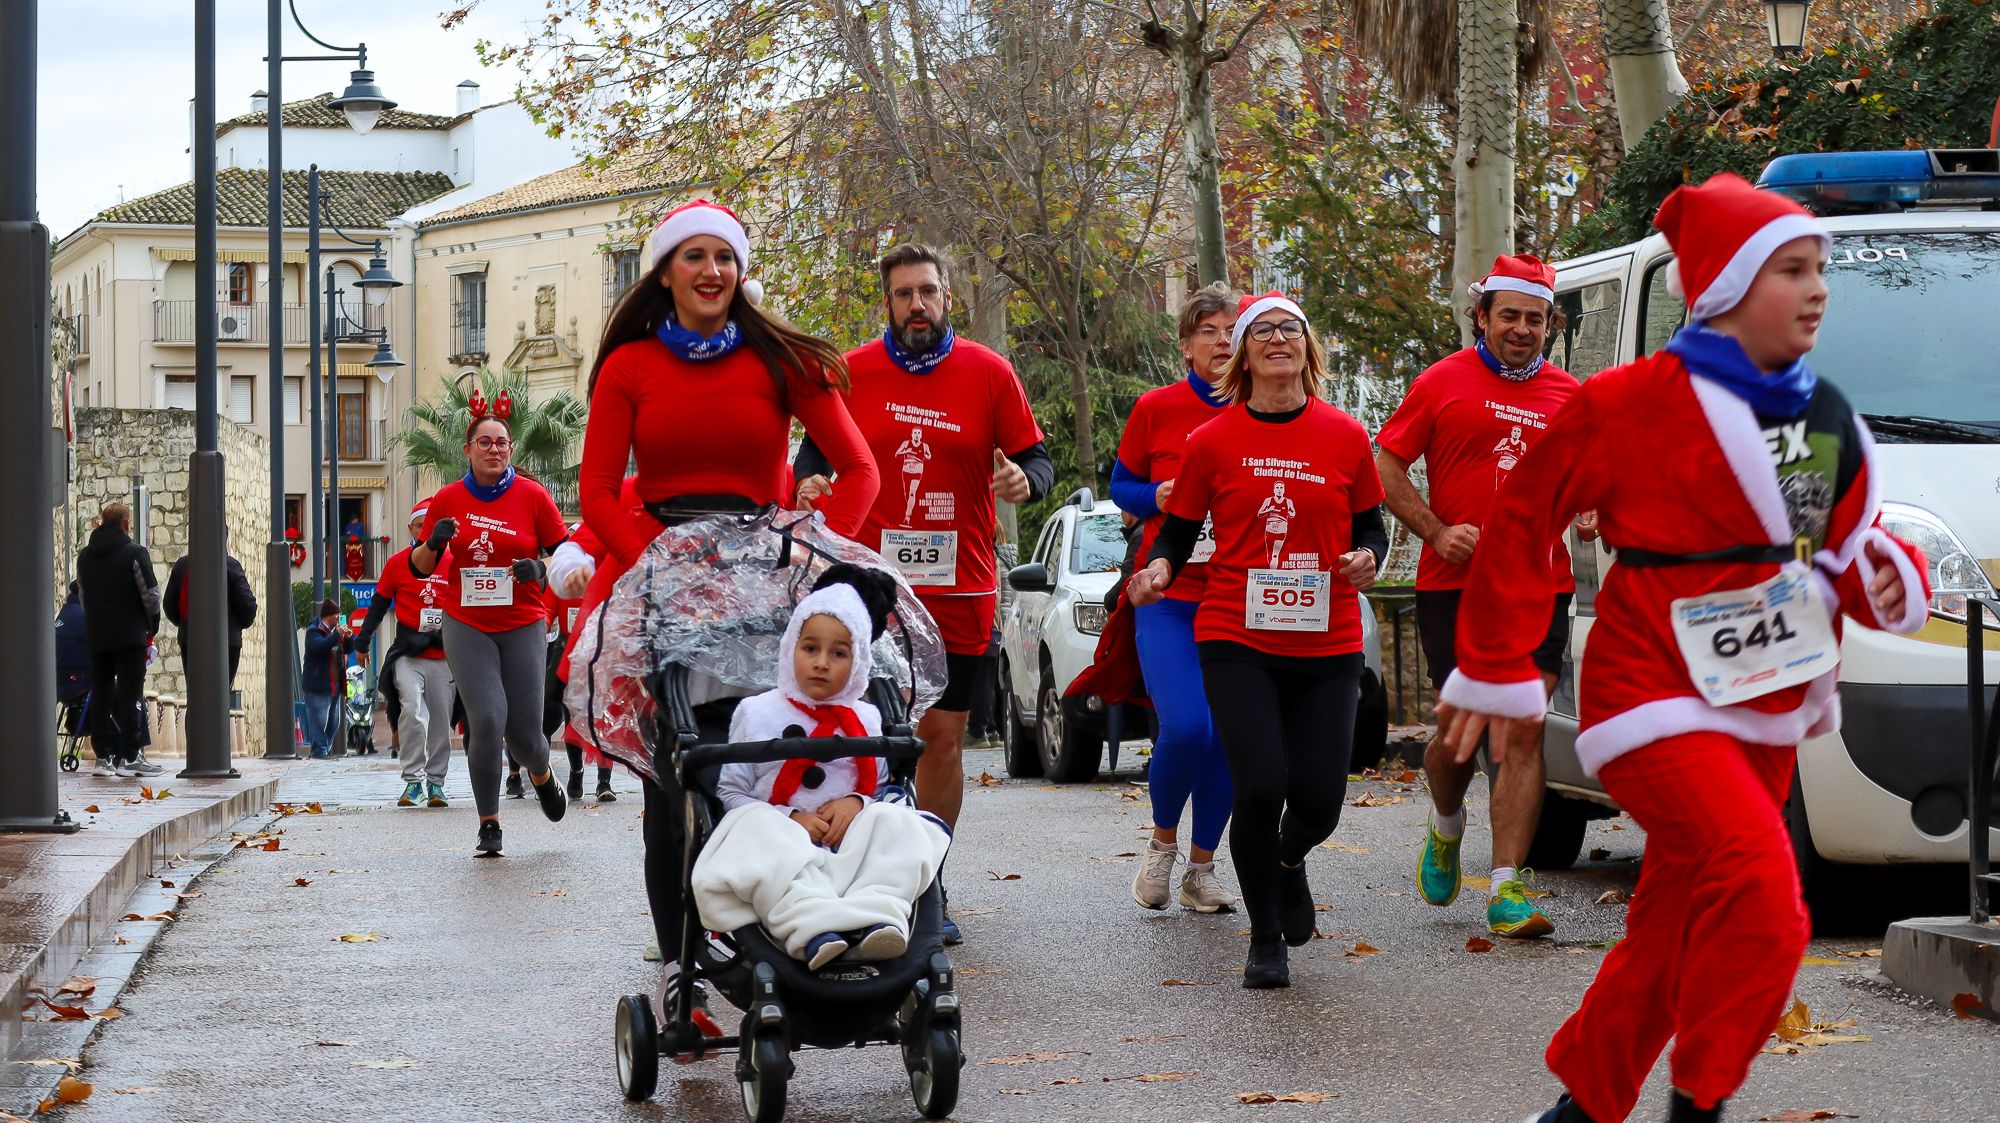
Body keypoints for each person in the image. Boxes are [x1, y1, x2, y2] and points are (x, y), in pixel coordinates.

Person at [1419, 177, 1927, 1123]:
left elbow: (1824, 552)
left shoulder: (1822, 417)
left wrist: (1883, 581)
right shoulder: (1626, 402)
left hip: (1766, 697)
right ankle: (1701, 1105)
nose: (1817, 290)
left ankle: (1584, 1104)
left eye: (1820, 270)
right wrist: (1494, 663)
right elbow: (1522, 516)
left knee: (1674, 920)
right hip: (1649, 684)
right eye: (1791, 269)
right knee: (1768, 898)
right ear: (1728, 285)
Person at [578, 198, 879, 1015]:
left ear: (741, 272)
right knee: (673, 785)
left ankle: (794, 927)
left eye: (726, 257)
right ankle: (682, 966)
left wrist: (812, 563)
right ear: (666, 272)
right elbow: (597, 490)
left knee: (772, 759)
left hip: (762, 590)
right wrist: (657, 565)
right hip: (664, 589)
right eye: (694, 256)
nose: (712, 271)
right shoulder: (628, 367)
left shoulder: (779, 360)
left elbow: (860, 473)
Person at [793, 242, 1054, 944]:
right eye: (904, 293)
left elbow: (1036, 456)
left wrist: (1027, 481)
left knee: (941, 740)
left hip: (960, 588)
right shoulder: (850, 372)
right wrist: (810, 484)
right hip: (867, 591)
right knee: (873, 737)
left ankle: (926, 878)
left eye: (928, 292)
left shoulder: (989, 374)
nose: (917, 304)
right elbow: (812, 458)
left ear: (947, 299)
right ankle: (864, 878)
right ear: (888, 301)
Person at [1127, 292, 1387, 989]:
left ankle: (1287, 858)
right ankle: (1265, 936)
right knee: (1262, 781)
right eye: (1262, 331)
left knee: (1320, 799)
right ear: (1243, 355)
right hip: (1236, 633)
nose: (1278, 339)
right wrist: (1158, 568)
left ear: (1307, 348)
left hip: (1327, 638)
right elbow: (1178, 533)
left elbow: (1372, 529)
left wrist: (1368, 559)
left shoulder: (1345, 435)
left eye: (1290, 329)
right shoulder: (1211, 441)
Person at [1374, 253, 1583, 939]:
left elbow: (1595, 476)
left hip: (1540, 588)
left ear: (1549, 325)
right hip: (1456, 587)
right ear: (1482, 317)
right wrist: (1435, 530)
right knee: (1459, 738)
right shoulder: (1441, 382)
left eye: (1535, 319)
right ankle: (1446, 824)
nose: (1522, 329)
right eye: (1510, 316)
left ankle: (1507, 886)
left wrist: (1592, 507)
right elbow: (1385, 463)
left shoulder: (1569, 395)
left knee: (1522, 729)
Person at [692, 565, 952, 968]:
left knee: (894, 819)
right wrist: (788, 816)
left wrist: (857, 804)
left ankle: (877, 918)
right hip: (785, 852)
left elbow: (882, 788)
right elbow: (731, 791)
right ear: (790, 647)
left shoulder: (867, 720)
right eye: (810, 648)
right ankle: (812, 927)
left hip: (849, 852)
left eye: (839, 653)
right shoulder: (756, 713)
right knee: (751, 825)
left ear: (860, 660)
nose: (821, 663)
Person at [1109, 282, 1241, 914]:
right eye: (1208, 331)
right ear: (1187, 346)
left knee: (1227, 739)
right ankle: (1163, 845)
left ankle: (1202, 868)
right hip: (1168, 595)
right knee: (1187, 726)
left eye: (1230, 329)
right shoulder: (1156, 408)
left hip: (1242, 600)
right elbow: (1120, 486)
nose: (1221, 341)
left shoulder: (1265, 408)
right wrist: (1155, 495)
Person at [412, 394, 572, 854]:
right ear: (469, 449)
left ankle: (541, 773)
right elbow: (422, 566)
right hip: (467, 622)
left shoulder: (532, 496)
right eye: (485, 442)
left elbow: (563, 552)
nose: (495, 450)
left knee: (525, 735)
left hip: (522, 620)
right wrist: (436, 541)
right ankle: (489, 824)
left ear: (511, 451)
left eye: (502, 443)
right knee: (486, 718)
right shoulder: (448, 499)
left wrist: (541, 569)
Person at [356, 500, 458, 808]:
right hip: (408, 653)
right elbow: (378, 604)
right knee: (412, 710)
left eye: (430, 526)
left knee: (441, 721)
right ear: (410, 529)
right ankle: (413, 781)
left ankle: (436, 783)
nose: (424, 531)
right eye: (419, 526)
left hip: (444, 654)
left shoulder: (454, 561)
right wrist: (362, 642)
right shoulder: (398, 563)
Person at [76, 503, 165, 778]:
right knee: (130, 694)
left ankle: (102, 758)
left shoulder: (84, 557)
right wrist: (153, 624)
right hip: (130, 636)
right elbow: (150, 594)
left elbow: (83, 596)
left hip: (98, 635)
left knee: (101, 694)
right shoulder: (135, 553)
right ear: (126, 524)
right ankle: (130, 756)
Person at [163, 550, 259, 687]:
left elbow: (169, 605)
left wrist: (186, 624)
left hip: (190, 639)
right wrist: (235, 625)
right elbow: (248, 607)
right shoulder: (230, 565)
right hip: (226, 640)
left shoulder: (183, 565)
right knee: (222, 693)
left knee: (195, 691)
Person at [300, 598, 352, 759]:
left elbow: (348, 649)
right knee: (318, 718)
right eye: (337, 616)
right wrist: (337, 634)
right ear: (330, 616)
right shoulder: (313, 631)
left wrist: (349, 638)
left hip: (335, 683)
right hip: (318, 683)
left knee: (334, 721)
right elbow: (320, 647)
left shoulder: (337, 633)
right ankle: (319, 750)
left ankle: (325, 748)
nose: (339, 619)